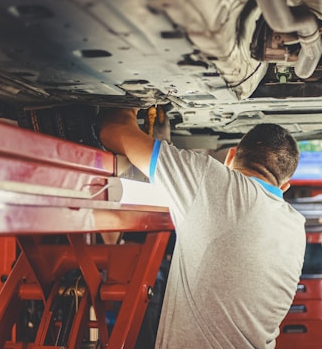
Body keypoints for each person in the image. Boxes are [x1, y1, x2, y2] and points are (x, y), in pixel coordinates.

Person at [99, 108, 306, 348]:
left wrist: (131, 103)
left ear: (230, 157)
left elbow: (113, 131)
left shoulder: (214, 181)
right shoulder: (295, 226)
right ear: (285, 187)